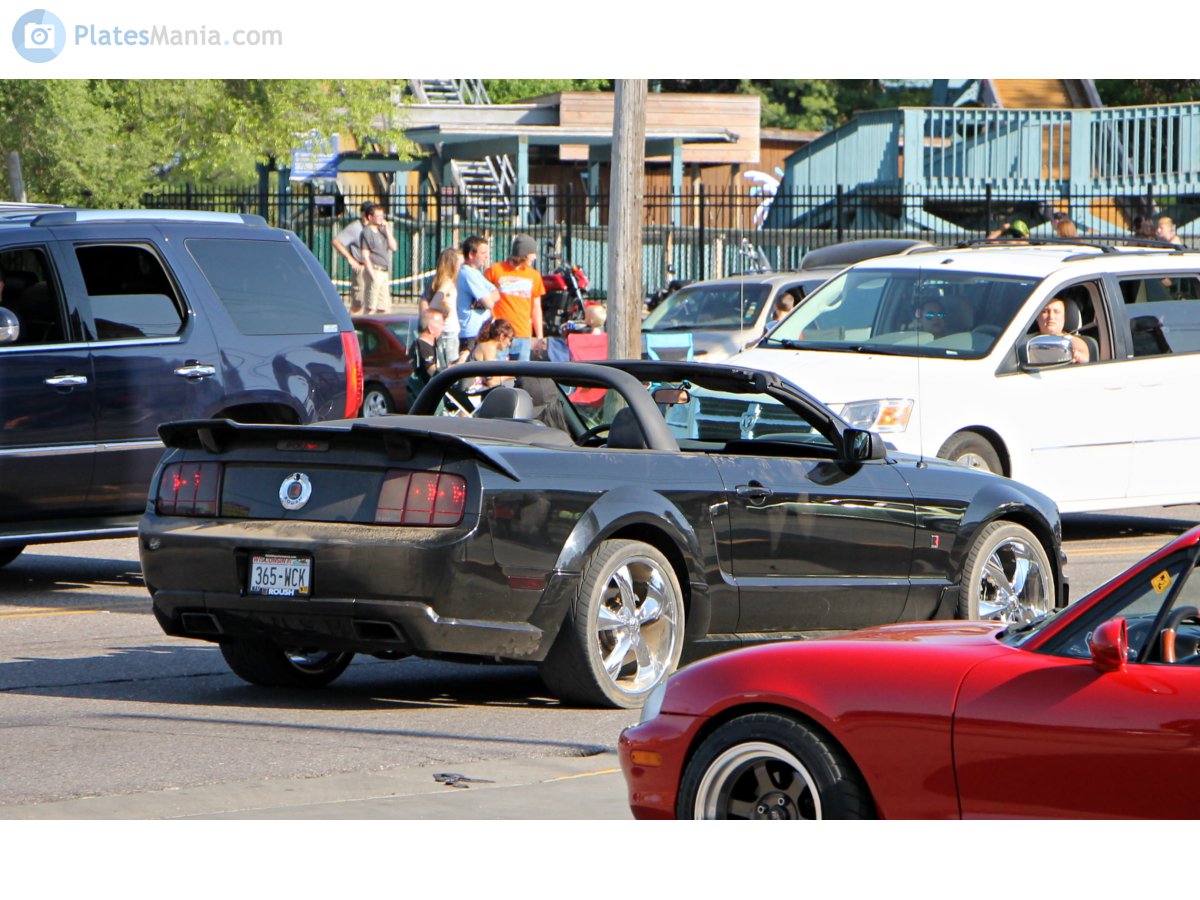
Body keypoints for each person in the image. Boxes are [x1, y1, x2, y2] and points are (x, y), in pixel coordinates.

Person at [485, 233, 545, 361]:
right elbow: (484, 298)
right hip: (500, 333)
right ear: (524, 254)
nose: (534, 257)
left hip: (522, 333)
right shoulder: (495, 270)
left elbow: (536, 308)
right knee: (496, 374)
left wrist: (539, 336)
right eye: (532, 253)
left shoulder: (534, 275)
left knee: (522, 376)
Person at [455, 235, 500, 354]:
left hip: (481, 331)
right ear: (471, 254)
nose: (487, 256)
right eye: (483, 253)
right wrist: (485, 300)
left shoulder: (477, 274)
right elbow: (490, 303)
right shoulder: (468, 274)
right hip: (471, 334)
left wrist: (484, 300)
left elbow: (496, 293)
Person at [427, 247, 469, 364]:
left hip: (446, 329)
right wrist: (445, 310)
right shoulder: (447, 282)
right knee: (451, 365)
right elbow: (434, 303)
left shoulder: (440, 281)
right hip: (449, 330)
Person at [331, 202, 373, 313]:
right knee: (358, 303)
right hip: (362, 268)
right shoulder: (356, 227)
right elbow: (336, 241)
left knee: (373, 304)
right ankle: (353, 326)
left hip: (375, 268)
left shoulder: (376, 227)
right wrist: (351, 259)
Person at [357, 203, 397, 314]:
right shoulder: (367, 232)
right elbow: (365, 256)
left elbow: (393, 247)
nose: (381, 219)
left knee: (383, 307)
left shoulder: (382, 232)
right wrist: (372, 274)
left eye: (382, 216)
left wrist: (387, 230)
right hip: (374, 270)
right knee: (371, 306)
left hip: (384, 271)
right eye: (378, 216)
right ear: (370, 217)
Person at [406, 308, 449, 407]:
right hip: (425, 399)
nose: (442, 328)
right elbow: (433, 372)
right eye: (441, 325)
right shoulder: (421, 346)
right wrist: (452, 371)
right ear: (431, 328)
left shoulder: (433, 345)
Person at [1033, 296, 1090, 364]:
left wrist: (1074, 354)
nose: (1051, 316)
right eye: (1045, 311)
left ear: (1064, 317)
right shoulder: (1023, 340)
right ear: (1037, 317)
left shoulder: (1073, 342)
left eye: (1056, 312)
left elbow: (1085, 360)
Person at [466, 318, 516, 391]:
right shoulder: (489, 347)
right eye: (510, 339)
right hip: (470, 391)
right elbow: (491, 382)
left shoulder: (486, 345)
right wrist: (513, 375)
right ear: (502, 336)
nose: (509, 343)